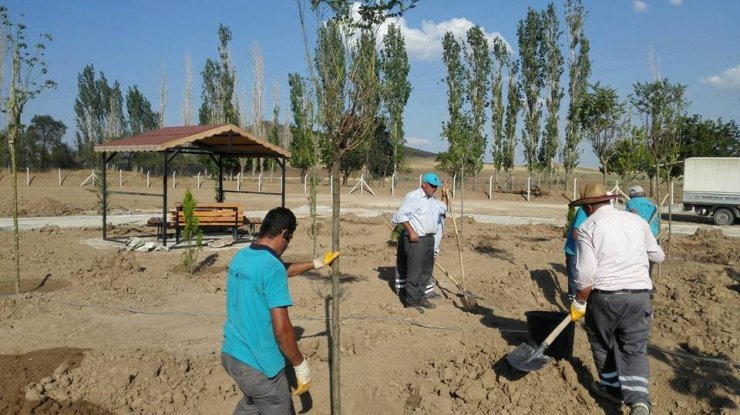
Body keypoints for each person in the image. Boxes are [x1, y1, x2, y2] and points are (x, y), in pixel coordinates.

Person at [221, 207, 340, 414]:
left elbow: (277, 269)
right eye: (289, 238)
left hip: (232, 355)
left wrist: (316, 263)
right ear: (284, 234)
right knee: (274, 404)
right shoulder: (271, 267)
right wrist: (300, 365)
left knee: (251, 404)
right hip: (259, 365)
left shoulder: (242, 256)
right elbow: (282, 331)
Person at [569, 183, 665, 415]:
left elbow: (586, 275)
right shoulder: (637, 222)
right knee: (634, 349)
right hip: (640, 296)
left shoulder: (588, 227)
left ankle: (612, 389)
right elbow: (658, 256)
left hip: (606, 299)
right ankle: (639, 401)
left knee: (601, 343)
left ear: (590, 206)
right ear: (610, 201)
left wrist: (580, 302)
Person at [392, 172, 448, 311]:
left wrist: (445, 193)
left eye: (436, 187)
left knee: (426, 271)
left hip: (429, 239)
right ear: (424, 184)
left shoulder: (432, 200)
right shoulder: (413, 196)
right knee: (415, 271)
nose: (434, 189)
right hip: (417, 239)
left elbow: (444, 207)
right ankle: (411, 301)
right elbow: (401, 216)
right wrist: (411, 232)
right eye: (432, 186)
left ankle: (421, 297)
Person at [563, 206, 588, 301]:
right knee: (574, 277)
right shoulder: (584, 210)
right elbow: (575, 233)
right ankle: (574, 301)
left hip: (582, 251)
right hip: (574, 250)